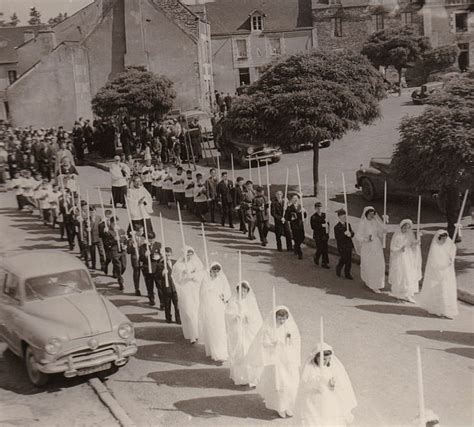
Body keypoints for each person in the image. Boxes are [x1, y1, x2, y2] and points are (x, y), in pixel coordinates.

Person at [247, 306, 301, 418]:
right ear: (275, 318)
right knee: (279, 383)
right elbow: (264, 343)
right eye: (279, 319)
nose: (281, 321)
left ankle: (289, 406)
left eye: (283, 319)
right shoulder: (270, 328)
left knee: (290, 383)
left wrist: (289, 342)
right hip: (276, 360)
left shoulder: (290, 328)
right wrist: (273, 343)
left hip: (288, 359)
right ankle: (280, 407)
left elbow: (295, 342)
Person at [295, 343, 357, 426]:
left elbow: (334, 386)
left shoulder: (329, 369)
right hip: (313, 400)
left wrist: (332, 385)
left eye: (328, 359)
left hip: (328, 399)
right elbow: (305, 384)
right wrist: (316, 384)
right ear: (316, 358)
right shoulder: (310, 369)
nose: (326, 361)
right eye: (323, 359)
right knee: (313, 419)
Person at [225, 281, 263, 386]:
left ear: (247, 292)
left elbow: (256, 318)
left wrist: (248, 317)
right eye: (240, 291)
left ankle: (251, 377)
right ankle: (240, 377)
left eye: (244, 291)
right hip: (237, 331)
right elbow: (228, 314)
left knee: (249, 352)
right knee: (240, 352)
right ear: (237, 291)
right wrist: (236, 316)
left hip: (248, 331)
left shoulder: (251, 302)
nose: (242, 293)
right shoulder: (233, 301)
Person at [417, 230, 458, 319]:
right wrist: (444, 264)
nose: (443, 241)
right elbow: (434, 263)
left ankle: (447, 310)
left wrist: (451, 256)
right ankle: (438, 310)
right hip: (437, 273)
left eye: (445, 239)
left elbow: (452, 250)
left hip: (446, 273)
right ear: (438, 239)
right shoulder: (435, 248)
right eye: (442, 239)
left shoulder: (448, 246)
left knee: (447, 291)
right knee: (440, 291)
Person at [199, 262, 232, 362]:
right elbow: (201, 293)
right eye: (214, 271)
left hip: (219, 307)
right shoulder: (206, 280)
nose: (216, 273)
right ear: (210, 270)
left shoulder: (221, 280)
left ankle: (221, 352)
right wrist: (207, 291)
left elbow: (226, 292)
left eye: (217, 271)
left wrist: (224, 297)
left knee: (220, 329)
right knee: (211, 329)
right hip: (209, 307)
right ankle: (213, 351)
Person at [171, 246, 205, 343]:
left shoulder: (196, 263)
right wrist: (184, 275)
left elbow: (201, 274)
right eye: (187, 254)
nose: (189, 257)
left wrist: (193, 276)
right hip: (185, 289)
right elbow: (176, 278)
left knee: (197, 310)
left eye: (191, 254)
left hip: (195, 289)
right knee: (189, 311)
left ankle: (198, 331)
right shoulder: (178, 266)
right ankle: (192, 334)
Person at [389, 219, 422, 302]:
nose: (406, 229)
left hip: (408, 257)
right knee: (400, 274)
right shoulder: (397, 235)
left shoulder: (409, 235)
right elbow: (392, 248)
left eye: (408, 228)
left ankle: (408, 294)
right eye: (405, 227)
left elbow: (411, 245)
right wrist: (399, 249)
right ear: (401, 227)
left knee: (409, 274)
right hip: (399, 257)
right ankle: (399, 293)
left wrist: (416, 243)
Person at [355, 206, 387, 293]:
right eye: (370, 214)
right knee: (370, 264)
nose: (372, 216)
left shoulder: (375, 222)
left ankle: (377, 283)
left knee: (378, 264)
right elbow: (358, 236)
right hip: (367, 246)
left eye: (373, 214)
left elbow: (381, 233)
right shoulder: (363, 223)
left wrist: (383, 227)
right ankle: (372, 284)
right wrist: (366, 239)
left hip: (376, 245)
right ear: (366, 214)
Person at [102, 216, 128, 290]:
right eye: (114, 223)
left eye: (117, 223)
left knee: (124, 266)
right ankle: (120, 282)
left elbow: (125, 240)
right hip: (114, 251)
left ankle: (117, 273)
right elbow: (106, 243)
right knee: (118, 266)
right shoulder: (108, 232)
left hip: (122, 251)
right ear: (111, 223)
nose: (116, 225)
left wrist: (125, 245)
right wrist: (114, 240)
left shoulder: (122, 230)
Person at [140, 232, 164, 308]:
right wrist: (145, 255)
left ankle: (162, 303)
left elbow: (161, 255)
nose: (151, 241)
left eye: (153, 239)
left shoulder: (158, 245)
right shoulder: (143, 247)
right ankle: (151, 299)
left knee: (160, 286)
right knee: (149, 286)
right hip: (148, 269)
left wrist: (160, 256)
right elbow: (141, 259)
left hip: (157, 269)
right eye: (150, 240)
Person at [159, 247, 181, 324]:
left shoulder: (175, 262)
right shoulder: (160, 264)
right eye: (166, 255)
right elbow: (157, 275)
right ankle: (168, 318)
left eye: (169, 255)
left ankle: (178, 319)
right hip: (166, 288)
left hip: (175, 287)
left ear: (172, 255)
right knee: (167, 305)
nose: (168, 257)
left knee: (177, 305)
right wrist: (162, 273)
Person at [334, 209, 355, 280]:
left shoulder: (348, 224)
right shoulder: (336, 227)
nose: (344, 218)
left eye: (345, 216)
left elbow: (352, 233)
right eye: (343, 216)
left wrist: (350, 234)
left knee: (349, 260)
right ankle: (339, 267)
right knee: (343, 258)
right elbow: (337, 237)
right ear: (339, 217)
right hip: (342, 246)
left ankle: (347, 273)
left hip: (348, 245)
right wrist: (344, 234)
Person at [285, 194, 307, 259]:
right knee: (296, 238)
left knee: (302, 237)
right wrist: (290, 218)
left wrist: (304, 212)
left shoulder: (300, 206)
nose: (295, 199)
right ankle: (299, 253)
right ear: (292, 200)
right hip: (294, 225)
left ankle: (296, 247)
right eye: (294, 198)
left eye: (296, 198)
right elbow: (287, 217)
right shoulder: (289, 207)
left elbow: (305, 216)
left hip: (300, 224)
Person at [128, 223, 146, 296]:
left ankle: (148, 289)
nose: (143, 232)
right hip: (135, 258)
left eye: (143, 230)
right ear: (137, 231)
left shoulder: (143, 238)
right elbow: (128, 251)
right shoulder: (132, 239)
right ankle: (137, 289)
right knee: (137, 273)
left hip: (143, 258)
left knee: (146, 274)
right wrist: (132, 246)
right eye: (141, 231)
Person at [311, 202, 330, 268]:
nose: (319, 209)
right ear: (315, 209)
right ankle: (316, 256)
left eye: (320, 208)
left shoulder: (325, 215)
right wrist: (321, 225)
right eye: (317, 208)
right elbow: (313, 226)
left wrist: (327, 233)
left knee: (325, 248)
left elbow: (328, 225)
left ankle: (325, 263)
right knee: (320, 248)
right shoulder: (313, 217)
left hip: (324, 235)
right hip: (317, 235)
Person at [88, 206, 106, 271]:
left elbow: (103, 227)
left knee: (101, 252)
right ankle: (93, 265)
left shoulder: (99, 218)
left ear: (95, 211)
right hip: (91, 239)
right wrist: (87, 229)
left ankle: (103, 265)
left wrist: (104, 222)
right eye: (91, 212)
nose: (92, 213)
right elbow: (84, 228)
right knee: (92, 253)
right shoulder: (87, 220)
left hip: (99, 238)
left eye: (93, 212)